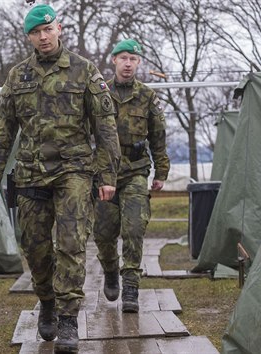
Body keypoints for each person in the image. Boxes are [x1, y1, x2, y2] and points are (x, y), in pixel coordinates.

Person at [0, 4, 120, 353]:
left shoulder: (84, 71)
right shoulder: (17, 76)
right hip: (30, 173)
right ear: (29, 36)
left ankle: (69, 318)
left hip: (73, 170)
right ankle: (47, 301)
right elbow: (4, 130)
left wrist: (107, 175)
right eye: (35, 32)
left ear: (59, 29)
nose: (43, 37)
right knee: (36, 248)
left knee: (71, 243)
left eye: (47, 30)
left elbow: (105, 129)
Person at [93, 39, 170, 313]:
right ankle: (111, 270)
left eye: (133, 59)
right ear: (114, 60)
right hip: (104, 174)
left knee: (134, 227)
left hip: (136, 171)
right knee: (103, 234)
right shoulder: (98, 92)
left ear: (139, 63)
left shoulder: (147, 96)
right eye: (123, 57)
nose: (128, 63)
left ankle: (131, 288)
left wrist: (161, 171)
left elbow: (158, 136)